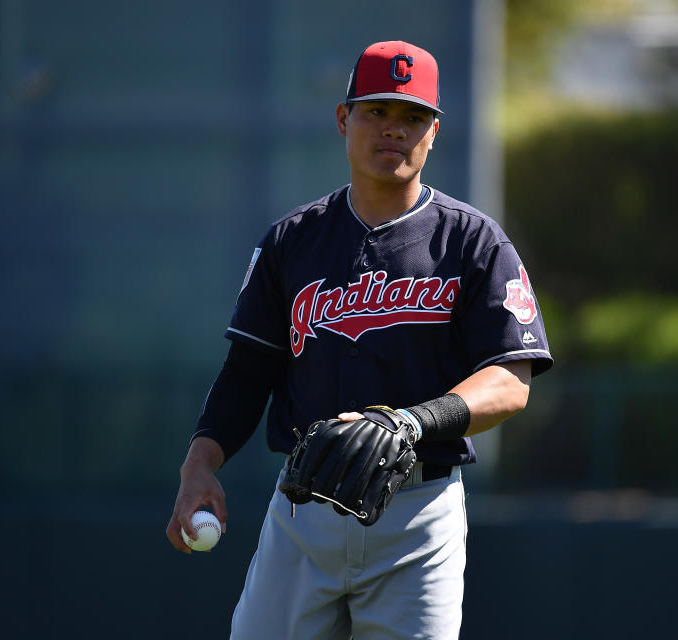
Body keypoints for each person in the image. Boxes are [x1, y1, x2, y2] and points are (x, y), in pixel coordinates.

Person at [166, 40, 552, 639]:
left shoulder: (474, 241)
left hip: (419, 515)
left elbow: (510, 380)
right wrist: (200, 463)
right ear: (344, 118)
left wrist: (410, 424)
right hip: (304, 509)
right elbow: (247, 372)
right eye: (377, 111)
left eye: (412, 117)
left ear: (434, 131)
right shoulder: (291, 242)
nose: (393, 130)